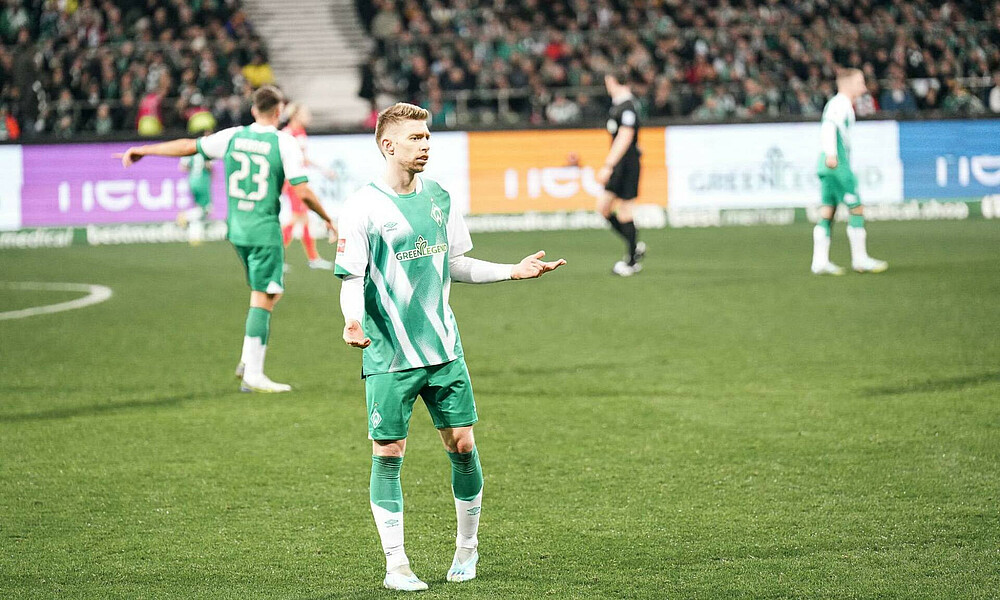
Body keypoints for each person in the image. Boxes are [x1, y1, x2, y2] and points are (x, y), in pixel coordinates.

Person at [335, 102, 565, 592]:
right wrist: (352, 321)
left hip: (443, 350)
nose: (425, 145)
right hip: (390, 356)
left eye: (427, 137)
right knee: (389, 452)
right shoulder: (361, 208)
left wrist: (511, 270)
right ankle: (396, 565)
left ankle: (467, 549)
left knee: (463, 444)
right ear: (387, 145)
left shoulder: (439, 197)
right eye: (415, 138)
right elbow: (351, 277)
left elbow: (457, 263)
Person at [116, 85, 337, 392]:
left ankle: (248, 361)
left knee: (266, 293)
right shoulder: (283, 142)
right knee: (265, 296)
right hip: (264, 231)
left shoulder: (232, 136)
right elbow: (302, 191)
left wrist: (144, 150)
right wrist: (327, 219)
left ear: (252, 110)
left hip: (237, 230)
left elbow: (187, 146)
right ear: (278, 111)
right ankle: (253, 373)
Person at [812, 69, 888, 275]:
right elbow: (828, 127)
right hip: (836, 164)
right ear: (848, 84)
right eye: (860, 82)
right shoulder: (841, 103)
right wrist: (832, 154)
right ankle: (860, 260)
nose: (863, 87)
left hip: (826, 165)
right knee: (856, 208)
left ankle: (819, 262)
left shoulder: (840, 104)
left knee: (828, 210)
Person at [596, 69, 646, 277]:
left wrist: (608, 165)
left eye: (608, 80)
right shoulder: (619, 106)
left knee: (625, 211)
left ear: (614, 81)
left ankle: (632, 261)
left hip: (627, 165)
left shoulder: (627, 107)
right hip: (620, 165)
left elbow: (625, 137)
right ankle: (634, 244)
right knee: (604, 208)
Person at [281, 103, 338, 270]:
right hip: (294, 182)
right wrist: (324, 170)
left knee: (304, 219)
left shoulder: (289, 133)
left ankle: (313, 258)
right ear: (296, 115)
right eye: (305, 114)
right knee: (297, 218)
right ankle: (275, 259)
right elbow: (302, 160)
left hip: (292, 181)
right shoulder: (294, 135)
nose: (308, 117)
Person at [177, 129, 214, 245]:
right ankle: (185, 216)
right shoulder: (206, 149)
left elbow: (182, 167)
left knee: (199, 207)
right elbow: (209, 166)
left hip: (192, 180)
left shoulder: (191, 148)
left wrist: (192, 170)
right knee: (206, 209)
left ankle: (195, 237)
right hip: (202, 180)